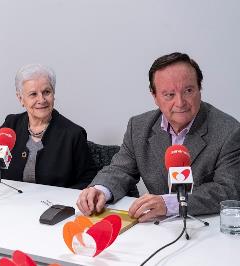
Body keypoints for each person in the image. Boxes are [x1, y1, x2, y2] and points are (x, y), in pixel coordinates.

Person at [77, 52, 240, 222]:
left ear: (200, 88)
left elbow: (229, 190)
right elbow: (121, 169)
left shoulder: (229, 131)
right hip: (155, 228)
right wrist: (101, 189)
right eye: (169, 94)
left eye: (188, 90)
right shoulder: (138, 127)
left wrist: (170, 204)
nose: (180, 102)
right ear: (155, 97)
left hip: (206, 227)